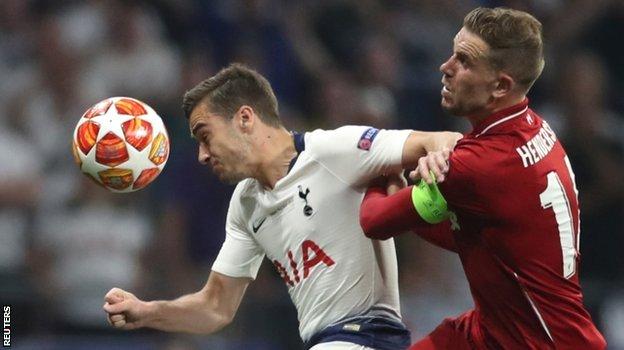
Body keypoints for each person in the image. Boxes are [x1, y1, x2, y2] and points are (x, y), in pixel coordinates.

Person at [102, 63, 461, 349]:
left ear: (245, 118)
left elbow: (443, 138)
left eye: (205, 136)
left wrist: (438, 158)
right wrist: (146, 312)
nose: (202, 155)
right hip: (326, 341)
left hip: (369, 335)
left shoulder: (334, 151)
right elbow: (215, 308)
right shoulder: (245, 203)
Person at [359, 7, 607, 350]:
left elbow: (373, 220)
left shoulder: (477, 165)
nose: (445, 68)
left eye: (464, 61)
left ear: (500, 86)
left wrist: (385, 162)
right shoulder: (536, 127)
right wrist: (415, 195)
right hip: (500, 327)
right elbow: (472, 235)